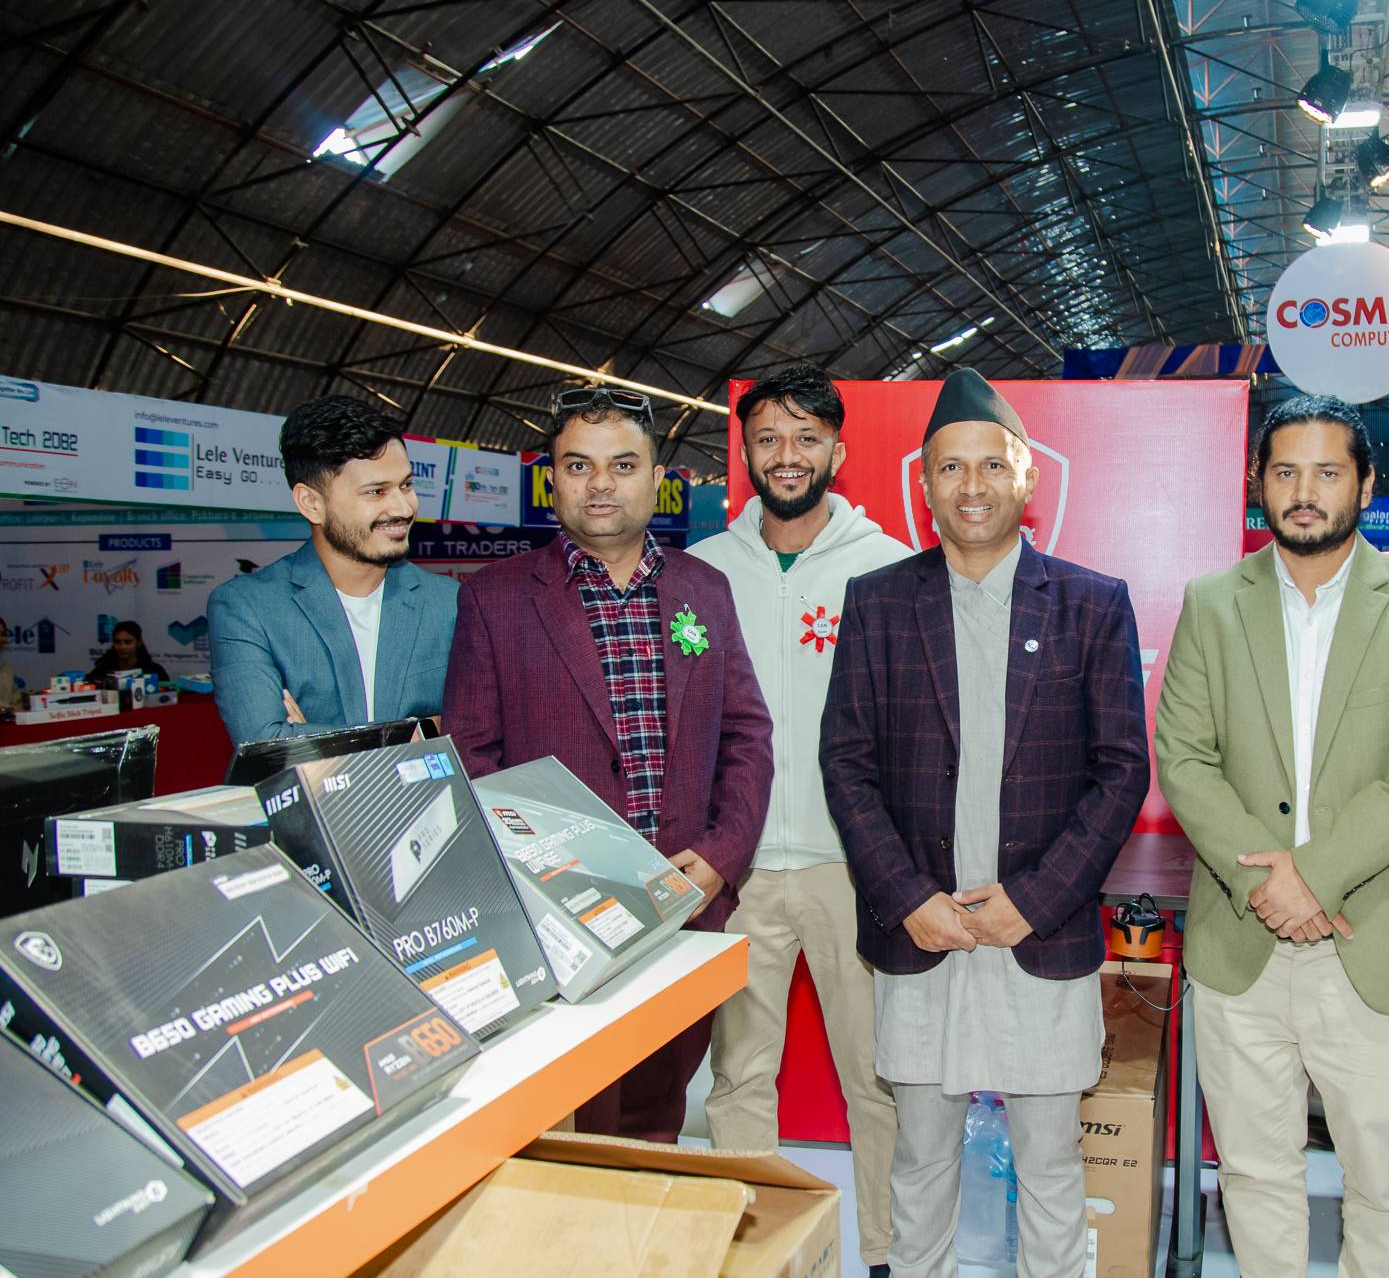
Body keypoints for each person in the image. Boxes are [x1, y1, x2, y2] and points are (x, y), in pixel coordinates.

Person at [820, 369, 1149, 1278]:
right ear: (924, 484)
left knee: (1050, 1168)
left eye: (992, 465)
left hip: (1037, 935)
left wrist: (1033, 902)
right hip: (924, 935)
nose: (972, 486)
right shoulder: (879, 601)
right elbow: (846, 764)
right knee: (921, 1165)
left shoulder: (1090, 602)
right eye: (951, 467)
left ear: (1028, 477)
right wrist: (907, 897)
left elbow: (1122, 769)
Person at [1153, 395, 1389, 1278]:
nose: (1305, 492)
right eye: (1286, 472)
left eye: (1328, 472)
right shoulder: (1212, 603)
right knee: (1255, 1172)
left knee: (1382, 1179)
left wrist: (1313, 876)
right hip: (1242, 939)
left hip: (1373, 939)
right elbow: (1183, 755)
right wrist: (1270, 885)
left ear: (1365, 484)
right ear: (1259, 484)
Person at [441, 385, 773, 1141]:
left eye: (622, 465)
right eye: (578, 465)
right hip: (561, 921)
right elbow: (473, 760)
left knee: (659, 1116)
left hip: (684, 901)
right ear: (551, 480)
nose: (600, 483)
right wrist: (541, 881)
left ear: (656, 478)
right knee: (574, 1129)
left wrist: (721, 857)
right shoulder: (496, 599)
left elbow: (746, 735)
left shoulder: (703, 588)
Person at [694, 367, 910, 1275]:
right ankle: (757, 1255)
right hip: (736, 868)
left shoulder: (889, 565)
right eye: (769, 439)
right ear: (745, 453)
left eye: (807, 437)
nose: (788, 455)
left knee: (879, 1077)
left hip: (853, 868)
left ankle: (890, 1254)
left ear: (838, 450)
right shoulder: (701, 569)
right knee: (739, 1075)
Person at [207, 395, 458, 742]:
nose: (403, 507)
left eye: (406, 485)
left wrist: (309, 737)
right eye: (376, 492)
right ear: (311, 503)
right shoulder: (247, 607)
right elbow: (265, 743)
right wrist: (417, 731)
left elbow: (484, 729)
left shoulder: (451, 602)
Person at [88, 621, 171, 684]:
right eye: (117, 642)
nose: (122, 647)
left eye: (128, 642)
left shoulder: (154, 671)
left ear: (139, 642)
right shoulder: (103, 670)